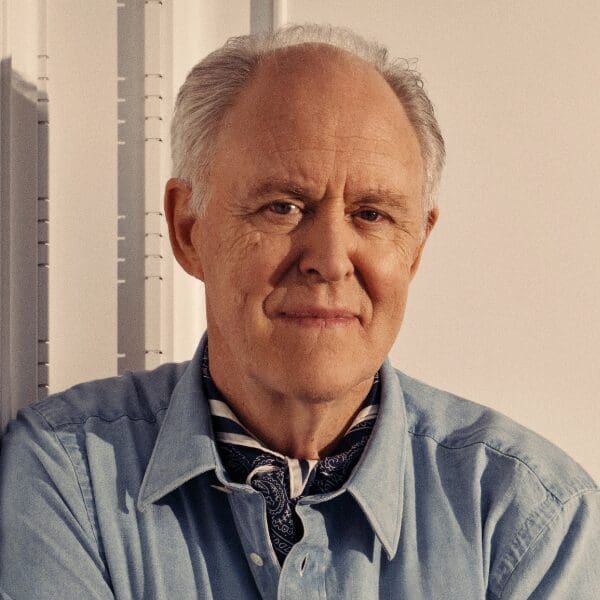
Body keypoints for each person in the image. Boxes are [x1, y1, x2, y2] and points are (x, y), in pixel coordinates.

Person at [1, 24, 598, 599]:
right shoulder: (70, 479)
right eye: (283, 207)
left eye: (371, 214)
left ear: (416, 247)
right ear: (188, 230)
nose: (330, 261)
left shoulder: (530, 519)